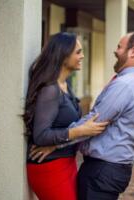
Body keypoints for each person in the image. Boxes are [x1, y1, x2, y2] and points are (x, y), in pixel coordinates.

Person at [31, 32, 134, 200]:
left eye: (119, 47)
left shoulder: (125, 85)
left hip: (103, 170)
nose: (115, 51)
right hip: (105, 169)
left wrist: (55, 144)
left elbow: (94, 122)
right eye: (78, 51)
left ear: (133, 52)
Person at [23, 32, 108, 200]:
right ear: (62, 55)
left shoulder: (65, 85)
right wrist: (80, 131)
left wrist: (59, 143)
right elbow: (40, 135)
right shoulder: (50, 89)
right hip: (49, 168)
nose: (82, 56)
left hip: (66, 162)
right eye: (78, 52)